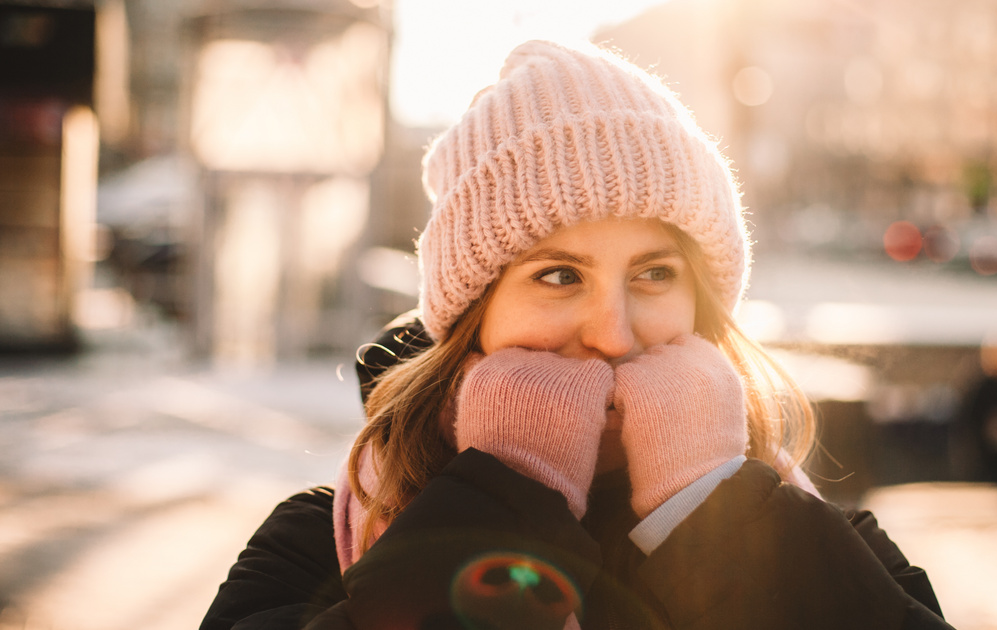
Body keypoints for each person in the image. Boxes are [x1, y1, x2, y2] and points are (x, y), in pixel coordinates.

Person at [201, 40, 954, 630]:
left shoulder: (823, 537)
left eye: (655, 274)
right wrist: (502, 504)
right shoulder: (315, 540)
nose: (614, 334)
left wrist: (710, 518)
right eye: (559, 276)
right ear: (474, 316)